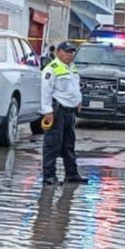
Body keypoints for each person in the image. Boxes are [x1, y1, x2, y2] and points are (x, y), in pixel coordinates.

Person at [41, 42, 88, 186]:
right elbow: (46, 92)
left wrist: (78, 101)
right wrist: (47, 111)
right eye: (67, 51)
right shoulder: (51, 69)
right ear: (58, 52)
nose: (70, 54)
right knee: (52, 144)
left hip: (69, 111)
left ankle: (71, 175)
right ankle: (49, 176)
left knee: (69, 144)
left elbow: (74, 87)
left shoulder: (71, 67)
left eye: (72, 52)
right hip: (57, 110)